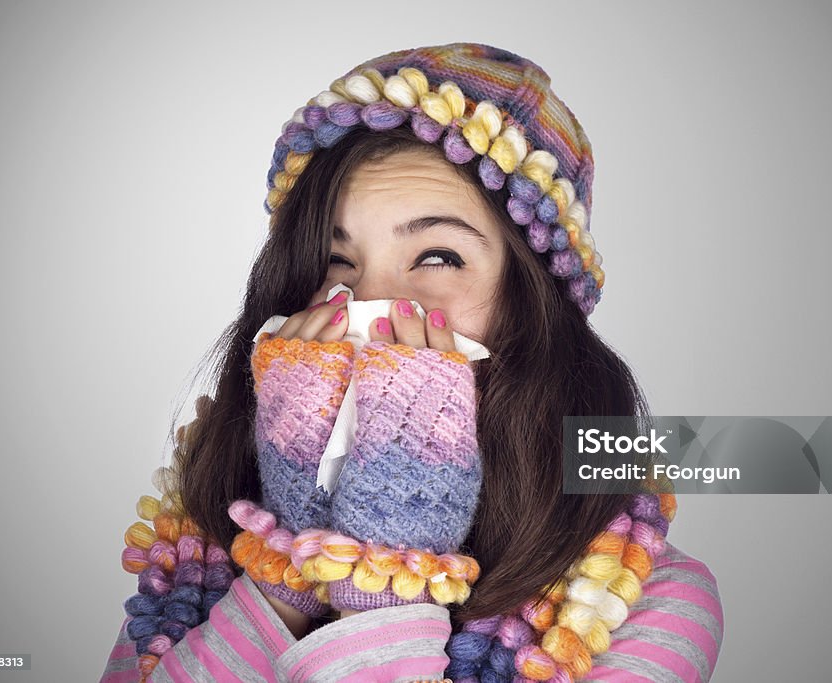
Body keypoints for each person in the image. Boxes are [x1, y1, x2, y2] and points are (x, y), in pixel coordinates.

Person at [100, 42, 724, 682]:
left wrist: (392, 570)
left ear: (532, 306)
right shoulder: (198, 548)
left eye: (439, 258)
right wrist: (290, 560)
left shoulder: (645, 601)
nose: (369, 303)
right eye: (338, 261)